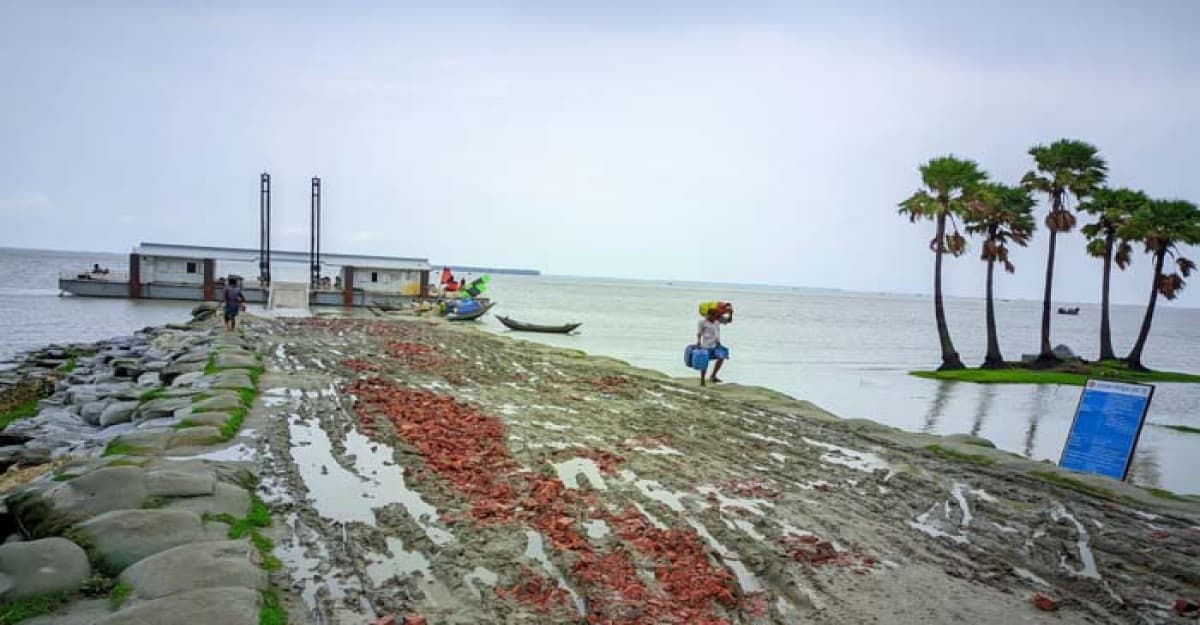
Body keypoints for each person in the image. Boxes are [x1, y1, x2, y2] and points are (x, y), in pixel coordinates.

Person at [696, 306, 727, 386]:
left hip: (716, 345)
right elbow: (699, 333)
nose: (716, 317)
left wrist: (730, 313)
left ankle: (713, 375)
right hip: (706, 345)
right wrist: (698, 342)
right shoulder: (702, 322)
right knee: (704, 363)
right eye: (714, 316)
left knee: (721, 358)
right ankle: (702, 380)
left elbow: (727, 321)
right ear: (709, 315)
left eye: (716, 316)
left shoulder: (716, 322)